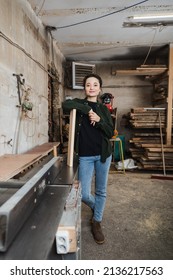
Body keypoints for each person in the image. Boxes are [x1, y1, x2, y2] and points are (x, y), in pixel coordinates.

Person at [62, 73, 114, 244]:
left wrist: (99, 120)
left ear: (100, 88)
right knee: (83, 194)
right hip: (85, 155)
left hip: (103, 155)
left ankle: (97, 222)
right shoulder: (79, 104)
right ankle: (96, 207)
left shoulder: (104, 110)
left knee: (101, 191)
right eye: (88, 84)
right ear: (84, 88)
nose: (91, 87)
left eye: (95, 85)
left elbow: (109, 132)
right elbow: (65, 105)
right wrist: (87, 109)